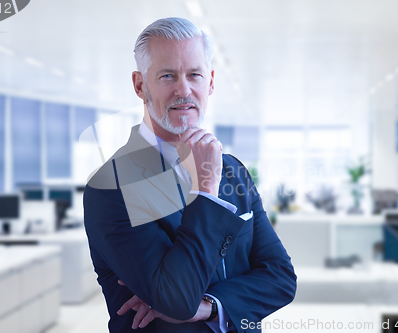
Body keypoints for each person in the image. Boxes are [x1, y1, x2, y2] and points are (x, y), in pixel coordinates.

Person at [84, 17, 296, 333]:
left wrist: (209, 307)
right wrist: (207, 190)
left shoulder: (234, 170)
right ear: (140, 85)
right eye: (167, 76)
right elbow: (177, 299)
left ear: (210, 81)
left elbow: (281, 278)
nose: (184, 90)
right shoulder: (111, 186)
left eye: (194, 75)